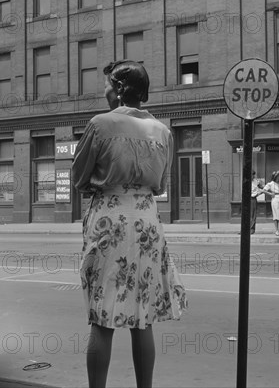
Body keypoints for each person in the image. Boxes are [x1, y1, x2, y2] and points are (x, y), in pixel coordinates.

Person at [72, 60, 187, 388]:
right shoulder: (163, 131)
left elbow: (79, 178)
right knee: (142, 316)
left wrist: (102, 182)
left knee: (102, 316)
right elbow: (161, 185)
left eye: (108, 84)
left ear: (120, 89)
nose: (105, 90)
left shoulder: (100, 124)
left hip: (111, 220)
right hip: (147, 221)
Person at [250, 170, 264, 234]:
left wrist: (260, 191)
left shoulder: (256, 181)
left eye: (254, 175)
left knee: (253, 215)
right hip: (246, 199)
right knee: (246, 215)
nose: (253, 176)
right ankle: (245, 230)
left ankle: (252, 229)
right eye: (252, 174)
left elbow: (262, 187)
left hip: (253, 199)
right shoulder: (246, 181)